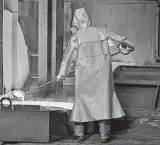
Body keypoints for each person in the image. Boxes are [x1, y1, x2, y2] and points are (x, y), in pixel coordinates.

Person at [56, 8, 135, 143]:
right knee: (103, 102)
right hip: (102, 75)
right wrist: (129, 46)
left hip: (84, 76)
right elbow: (121, 40)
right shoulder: (101, 32)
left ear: (75, 22)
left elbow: (68, 57)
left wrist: (62, 74)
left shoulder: (76, 37)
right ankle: (104, 135)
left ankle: (80, 133)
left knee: (81, 102)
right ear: (88, 19)